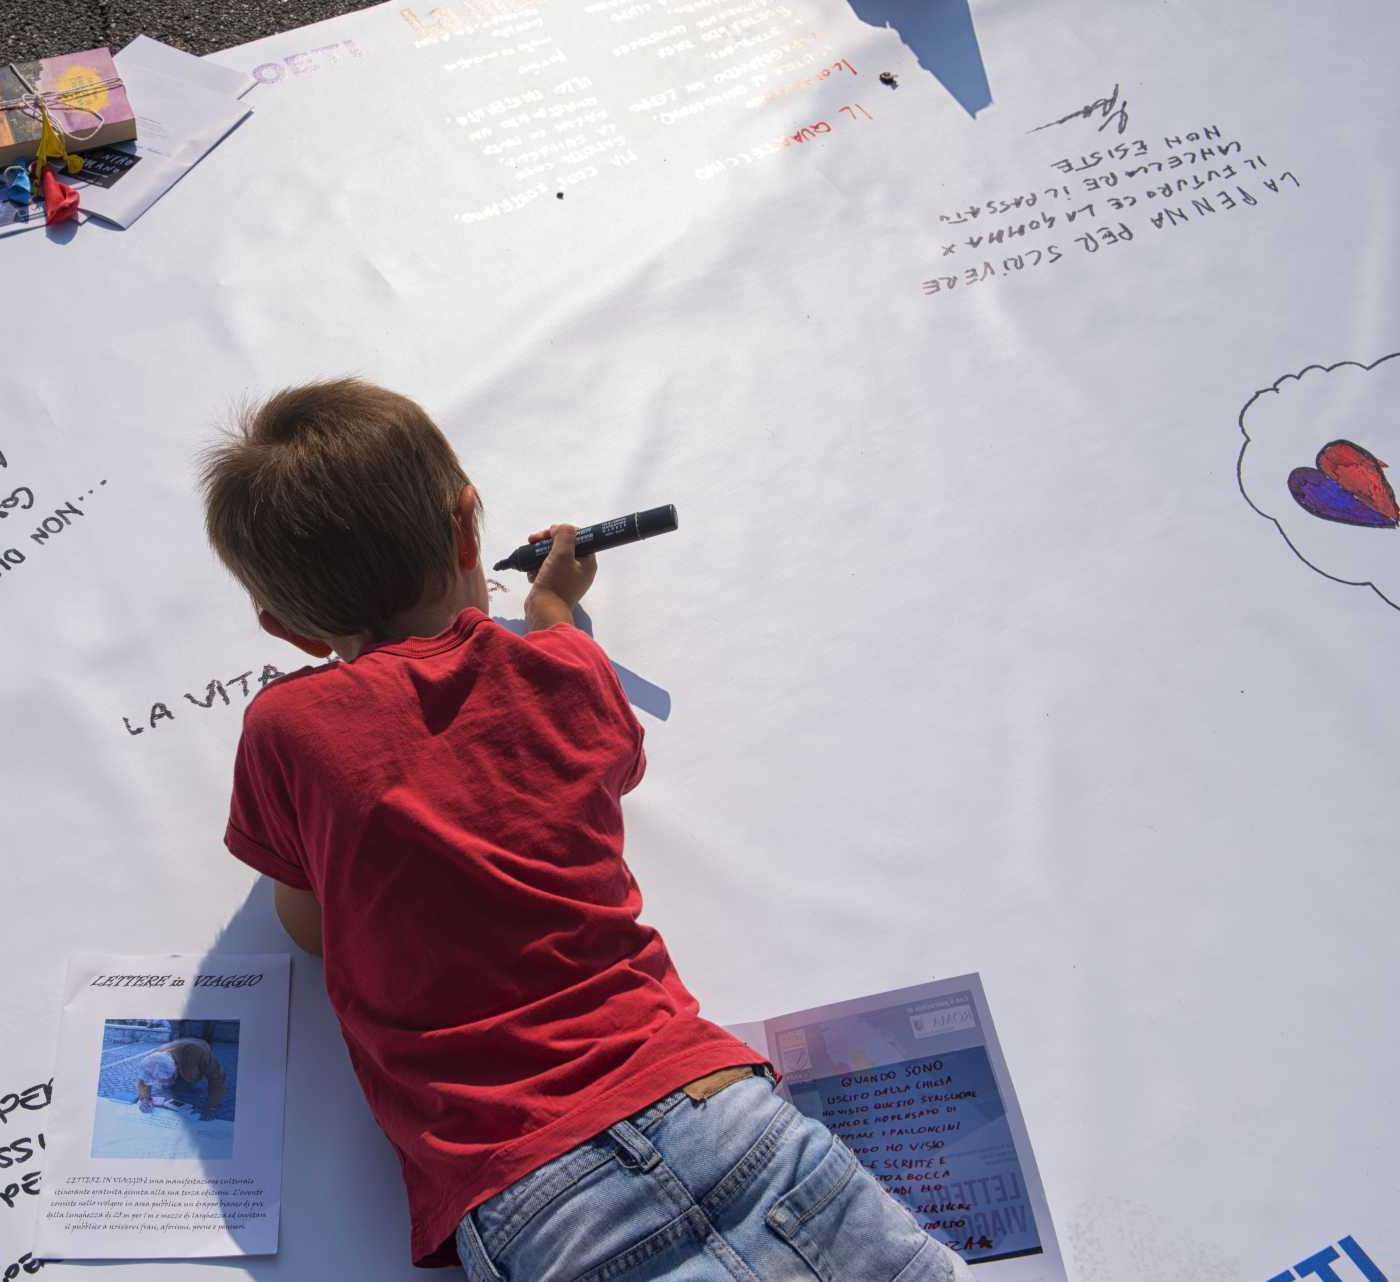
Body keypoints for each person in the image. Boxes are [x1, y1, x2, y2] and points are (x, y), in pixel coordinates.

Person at [200, 379, 971, 1281]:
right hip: (711, 1101)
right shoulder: (564, 672)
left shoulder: (288, 732)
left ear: (284, 629)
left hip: (538, 1196)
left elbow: (310, 931)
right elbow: (597, 737)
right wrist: (554, 616)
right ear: (467, 529)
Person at [133, 1037, 227, 1121]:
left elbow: (217, 1079)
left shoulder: (199, 1053)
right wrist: (145, 1098)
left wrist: (211, 1106)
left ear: (176, 1067)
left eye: (166, 1080)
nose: (163, 1084)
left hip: (197, 1049)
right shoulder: (151, 1059)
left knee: (194, 1089)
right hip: (177, 1056)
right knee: (172, 1092)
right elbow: (143, 1080)